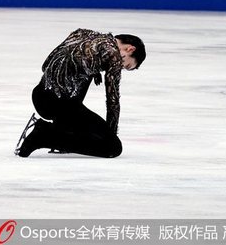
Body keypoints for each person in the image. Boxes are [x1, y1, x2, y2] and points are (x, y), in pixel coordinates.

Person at [16, 29, 146, 158]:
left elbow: (46, 65)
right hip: (58, 105)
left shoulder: (83, 34)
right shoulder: (113, 56)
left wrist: (90, 70)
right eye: (126, 64)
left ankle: (62, 130)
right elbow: (113, 102)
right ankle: (43, 136)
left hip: (40, 96)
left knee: (83, 77)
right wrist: (111, 136)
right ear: (130, 49)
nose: (121, 67)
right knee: (113, 148)